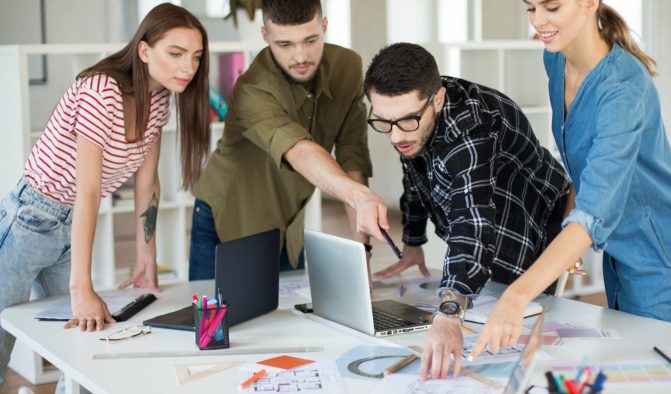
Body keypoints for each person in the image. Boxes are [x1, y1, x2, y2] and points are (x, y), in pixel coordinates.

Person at [470, 0, 671, 361]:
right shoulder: (555, 59)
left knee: (652, 361)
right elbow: (582, 161)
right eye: (530, 8)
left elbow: (594, 211)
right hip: (615, 234)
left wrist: (516, 296)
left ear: (589, 4)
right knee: (626, 349)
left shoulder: (623, 88)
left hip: (657, 241)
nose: (538, 22)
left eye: (552, 7)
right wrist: (568, 229)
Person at [0, 3, 210, 390]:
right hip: (32, 218)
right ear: (145, 51)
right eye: (176, 54)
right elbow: (89, 190)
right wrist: (82, 287)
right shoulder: (102, 91)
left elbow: (148, 182)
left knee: (83, 343)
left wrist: (146, 256)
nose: (189, 67)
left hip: (71, 228)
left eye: (195, 57)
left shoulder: (161, 98)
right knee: (1, 345)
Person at [363, 43, 571, 380]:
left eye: (407, 121)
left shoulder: (473, 125)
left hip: (532, 233)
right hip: (485, 235)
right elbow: (414, 170)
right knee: (477, 334)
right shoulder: (412, 115)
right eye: (384, 122)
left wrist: (448, 313)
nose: (396, 136)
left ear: (439, 99)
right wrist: (413, 241)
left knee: (518, 355)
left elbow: (471, 221)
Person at [189, 0, 387, 279]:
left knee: (290, 316)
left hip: (289, 221)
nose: (300, 56)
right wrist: (360, 197)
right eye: (285, 45)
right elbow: (298, 150)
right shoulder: (251, 89)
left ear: (324, 27)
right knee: (218, 322)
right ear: (265, 36)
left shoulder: (348, 68)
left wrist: (361, 255)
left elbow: (352, 154)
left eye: (310, 40)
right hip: (228, 219)